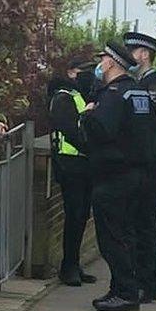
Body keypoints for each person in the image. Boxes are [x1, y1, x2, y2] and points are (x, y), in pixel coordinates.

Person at [79, 41, 156, 311]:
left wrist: (87, 116)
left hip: (114, 176)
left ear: (111, 63)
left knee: (112, 237)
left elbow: (102, 130)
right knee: (127, 233)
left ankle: (125, 293)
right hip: (138, 173)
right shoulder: (140, 93)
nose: (100, 64)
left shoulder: (113, 95)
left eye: (102, 60)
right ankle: (123, 288)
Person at [125, 32, 156, 302]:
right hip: (149, 161)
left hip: (151, 162)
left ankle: (148, 281)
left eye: (132, 52)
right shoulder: (144, 82)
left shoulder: (153, 85)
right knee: (142, 221)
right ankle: (150, 281)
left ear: (144, 54)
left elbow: (150, 127)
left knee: (143, 221)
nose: (129, 56)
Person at [47, 58, 98, 287]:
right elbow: (71, 130)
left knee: (81, 216)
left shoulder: (81, 95)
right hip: (69, 164)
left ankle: (74, 264)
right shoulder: (63, 96)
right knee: (74, 215)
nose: (87, 75)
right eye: (82, 71)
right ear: (69, 72)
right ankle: (68, 267)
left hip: (83, 164)